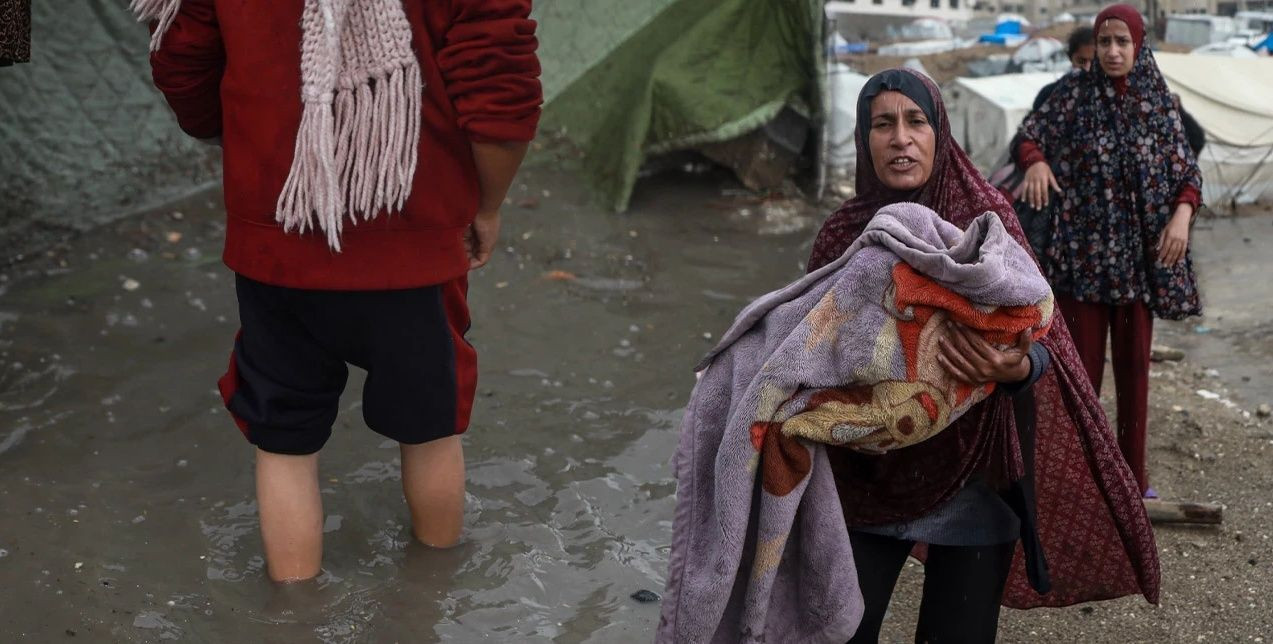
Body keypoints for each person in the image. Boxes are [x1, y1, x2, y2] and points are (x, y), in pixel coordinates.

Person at [143, 0, 542, 582]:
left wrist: (262, 138)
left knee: (283, 441)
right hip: (414, 244)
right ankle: (429, 603)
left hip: (276, 242)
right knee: (430, 430)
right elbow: (501, 87)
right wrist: (488, 203)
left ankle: (294, 613)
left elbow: (181, 58)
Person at [807, 68, 1160, 642]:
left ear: (939, 134)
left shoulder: (986, 222)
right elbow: (808, 353)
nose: (900, 138)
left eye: (916, 121)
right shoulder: (844, 233)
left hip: (975, 477)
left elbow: (1045, 339)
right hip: (863, 479)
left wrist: (1018, 367)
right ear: (863, 140)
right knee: (838, 633)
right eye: (883, 124)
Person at [1015, 4, 1202, 499]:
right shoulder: (1072, 96)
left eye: (1122, 42)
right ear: (1094, 48)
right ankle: (1079, 480)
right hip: (1083, 262)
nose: (1113, 51)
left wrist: (1182, 214)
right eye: (1105, 42)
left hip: (1140, 264)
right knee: (1081, 378)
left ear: (1138, 46)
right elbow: (1029, 136)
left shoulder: (1158, 101)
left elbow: (1188, 172)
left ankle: (1132, 482)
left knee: (1136, 377)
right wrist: (1034, 162)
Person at [1031, 26, 1095, 111]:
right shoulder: (1049, 95)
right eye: (1081, 61)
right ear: (1070, 58)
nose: (1087, 68)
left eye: (1094, 62)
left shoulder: (1111, 96)